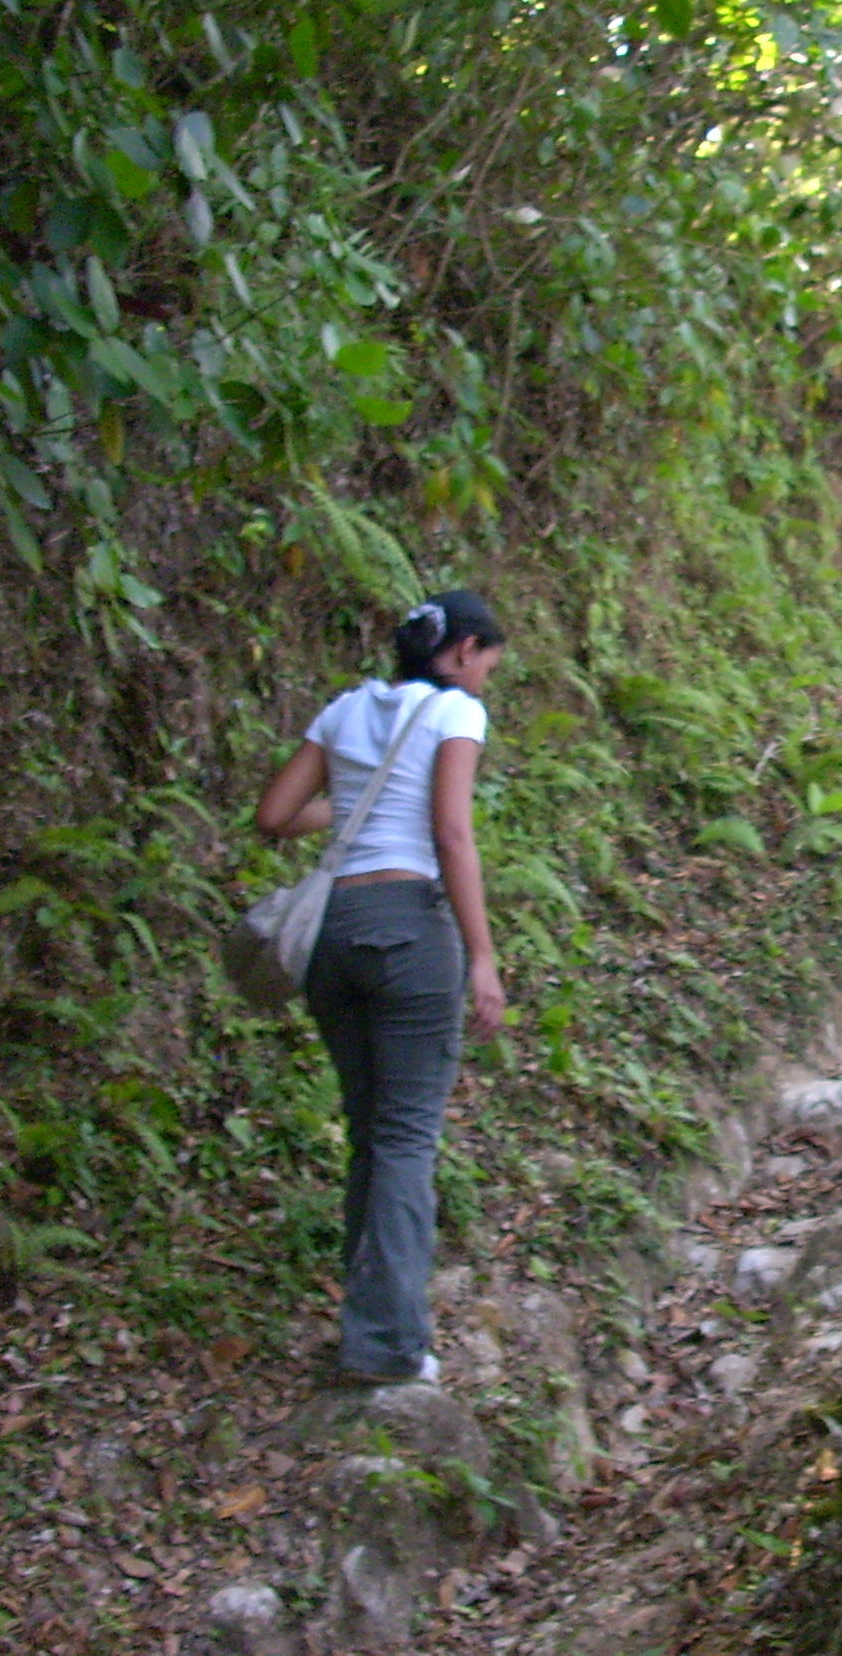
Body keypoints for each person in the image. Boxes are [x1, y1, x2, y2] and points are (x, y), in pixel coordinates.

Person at [252, 590, 510, 1385]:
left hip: (332, 933)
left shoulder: (347, 708)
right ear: (463, 651)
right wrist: (482, 955)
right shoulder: (455, 715)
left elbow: (273, 816)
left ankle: (370, 1326)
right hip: (408, 930)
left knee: (371, 1135)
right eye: (487, 667)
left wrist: (357, 814)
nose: (485, 683)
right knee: (405, 1139)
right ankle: (390, 1346)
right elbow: (450, 833)